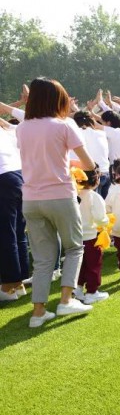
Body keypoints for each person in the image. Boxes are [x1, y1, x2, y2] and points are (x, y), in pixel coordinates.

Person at [4, 78, 97, 327]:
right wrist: (71, 164)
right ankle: (66, 300)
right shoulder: (64, 125)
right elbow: (88, 164)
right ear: (58, 100)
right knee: (74, 248)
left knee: (43, 258)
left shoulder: (23, 128)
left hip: (31, 198)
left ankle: (38, 312)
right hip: (60, 195)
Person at [0, 115, 28, 301]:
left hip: (4, 178)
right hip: (19, 176)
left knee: (6, 233)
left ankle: (10, 285)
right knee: (18, 231)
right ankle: (20, 281)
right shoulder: (7, 131)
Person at [75, 169, 110, 304]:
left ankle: (77, 288)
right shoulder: (94, 197)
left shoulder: (74, 194)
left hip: (76, 236)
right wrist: (107, 221)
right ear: (97, 180)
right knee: (93, 265)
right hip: (92, 237)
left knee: (79, 263)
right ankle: (92, 292)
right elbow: (100, 218)